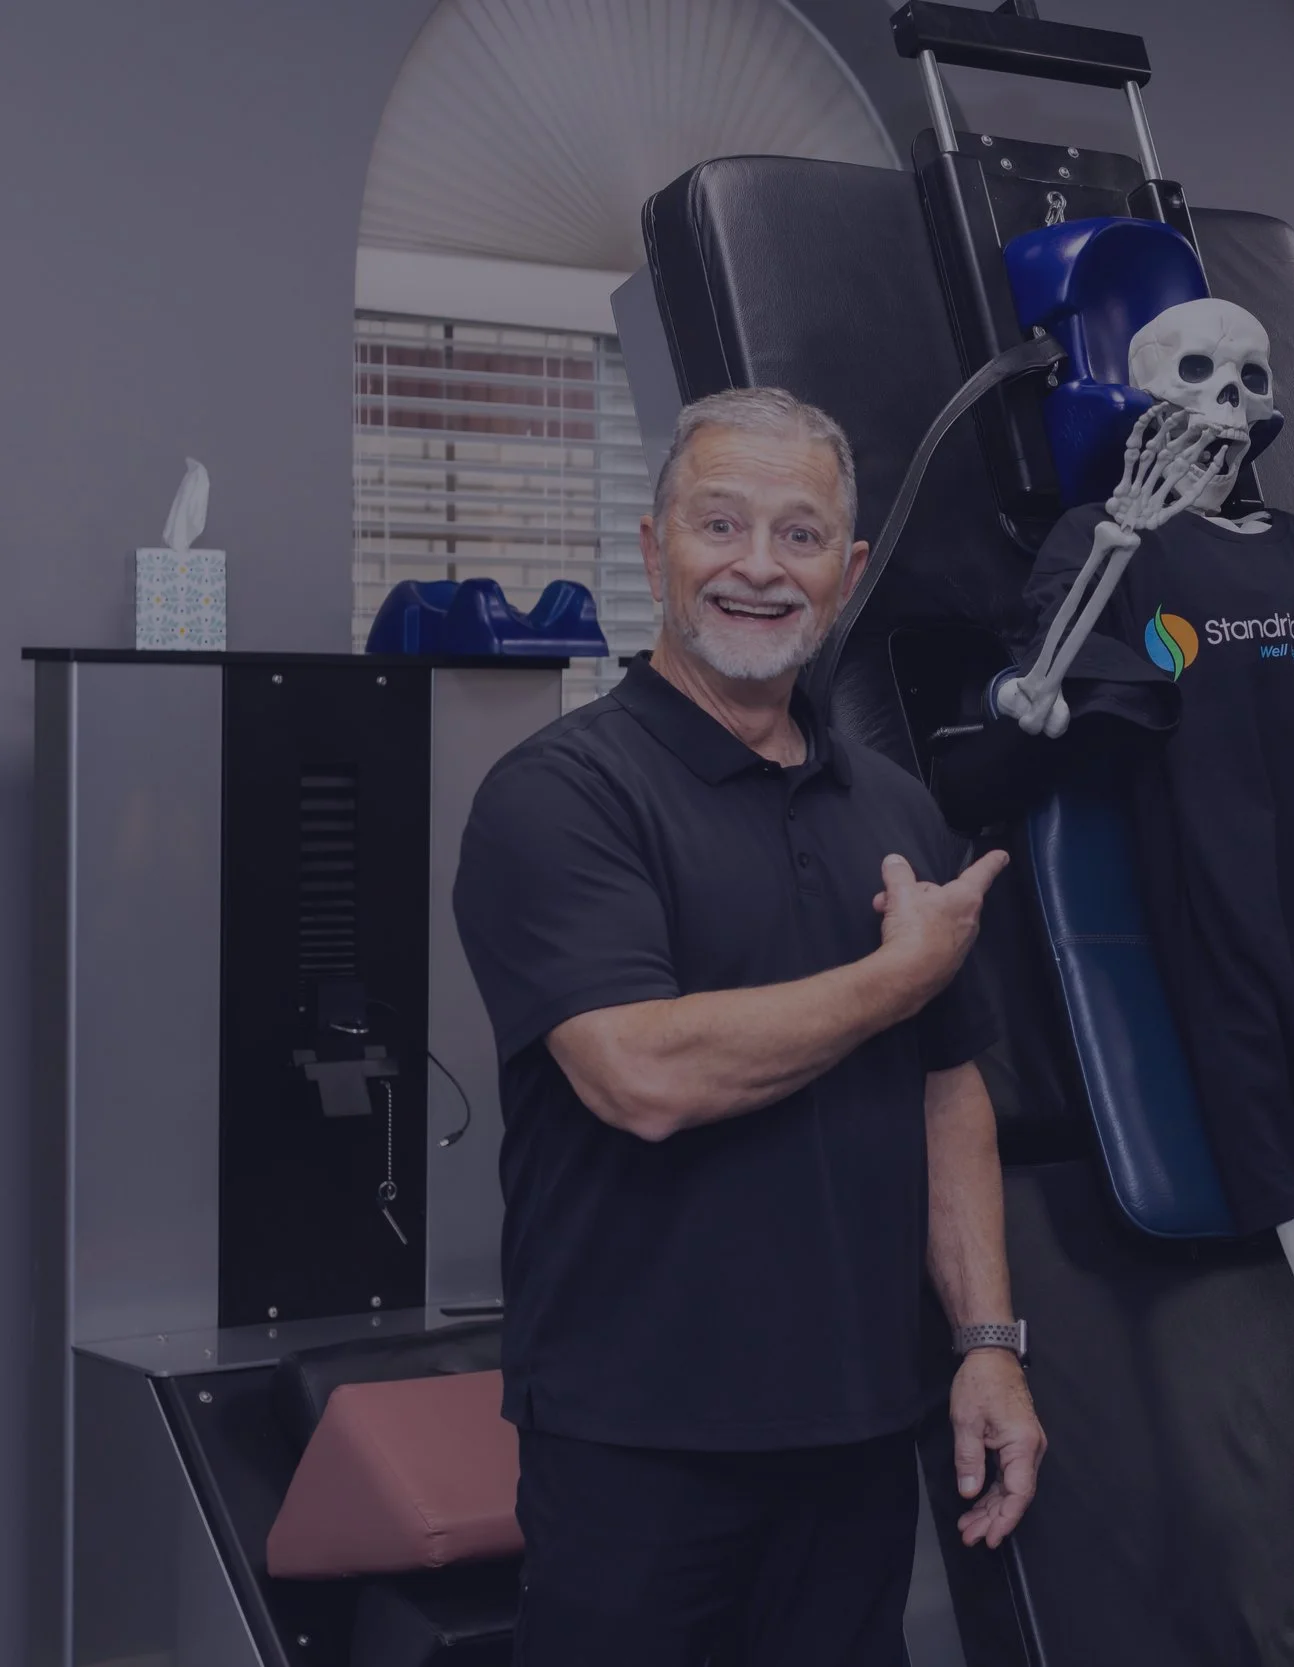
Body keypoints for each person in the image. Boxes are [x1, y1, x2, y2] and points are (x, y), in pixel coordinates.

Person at [454, 387, 1042, 1667]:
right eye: (721, 525)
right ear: (657, 543)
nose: (759, 567)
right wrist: (901, 972)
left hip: (854, 1430)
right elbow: (640, 1069)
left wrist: (988, 1346)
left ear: (850, 568)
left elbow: (950, 1092)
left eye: (800, 533)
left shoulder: (893, 805)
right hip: (636, 1437)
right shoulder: (561, 798)